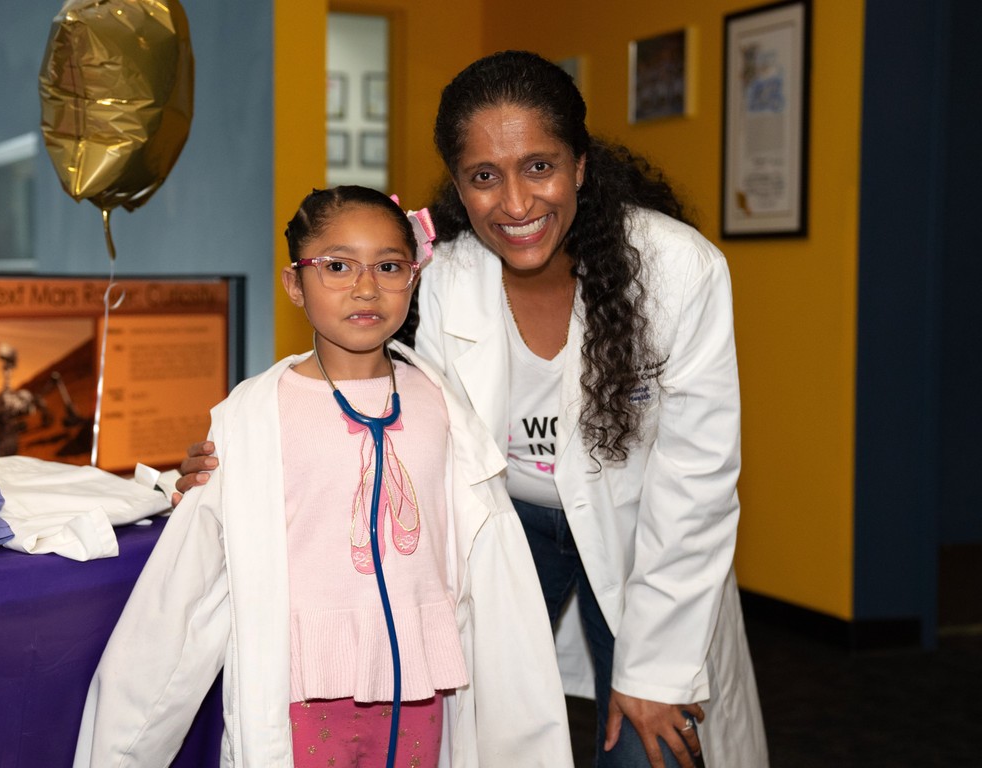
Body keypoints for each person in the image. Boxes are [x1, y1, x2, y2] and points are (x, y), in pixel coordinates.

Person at [179, 51, 769, 768]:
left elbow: (698, 482)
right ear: (459, 187)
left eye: (539, 167)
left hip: (648, 532)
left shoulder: (678, 271)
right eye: (485, 177)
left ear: (581, 164)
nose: (516, 204)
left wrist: (655, 675)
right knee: (494, 738)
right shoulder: (445, 279)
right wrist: (237, 464)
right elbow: (374, 407)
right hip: (505, 527)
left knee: (653, 743)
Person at [76, 186, 574, 768]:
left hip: (423, 690)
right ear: (294, 284)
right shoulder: (256, 413)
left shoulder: (444, 405)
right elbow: (184, 593)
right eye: (336, 266)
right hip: (304, 695)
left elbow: (487, 561)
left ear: (414, 278)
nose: (366, 287)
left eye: (389, 266)